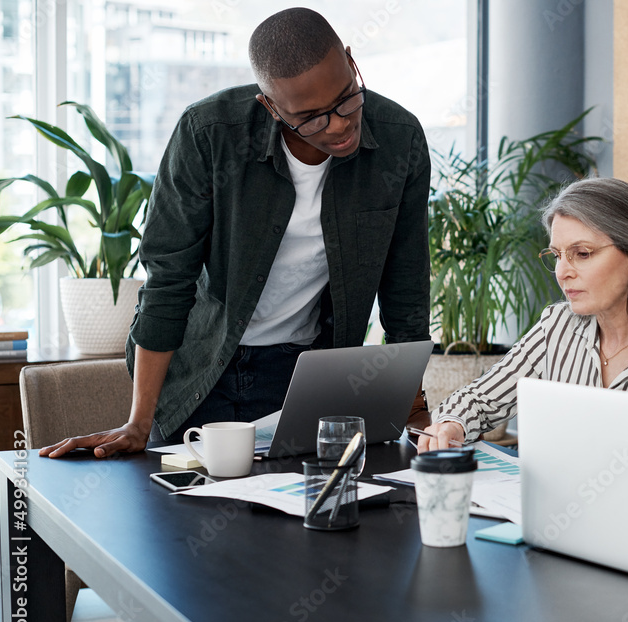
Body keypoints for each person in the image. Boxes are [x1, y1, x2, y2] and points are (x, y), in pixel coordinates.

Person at [40, 8, 431, 458]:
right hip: (201, 374)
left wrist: (415, 408)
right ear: (270, 106)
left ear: (349, 59)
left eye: (347, 98)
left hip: (308, 379)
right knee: (187, 517)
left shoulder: (400, 140)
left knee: (306, 516)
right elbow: (169, 282)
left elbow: (406, 292)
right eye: (312, 117)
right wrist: (138, 423)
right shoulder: (209, 135)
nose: (340, 124)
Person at [417, 177, 628, 468]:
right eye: (557, 255)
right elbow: (481, 399)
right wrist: (451, 424)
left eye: (582, 253)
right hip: (555, 524)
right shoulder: (555, 327)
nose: (563, 271)